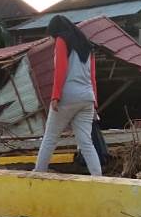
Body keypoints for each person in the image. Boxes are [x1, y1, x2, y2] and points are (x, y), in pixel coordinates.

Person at [34, 15, 102, 176]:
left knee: (50, 138)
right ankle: (98, 178)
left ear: (56, 31)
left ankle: (38, 174)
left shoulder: (61, 40)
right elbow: (93, 77)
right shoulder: (88, 46)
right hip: (87, 98)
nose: (52, 39)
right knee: (86, 142)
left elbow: (60, 70)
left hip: (68, 96)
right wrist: (95, 104)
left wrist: (55, 96)